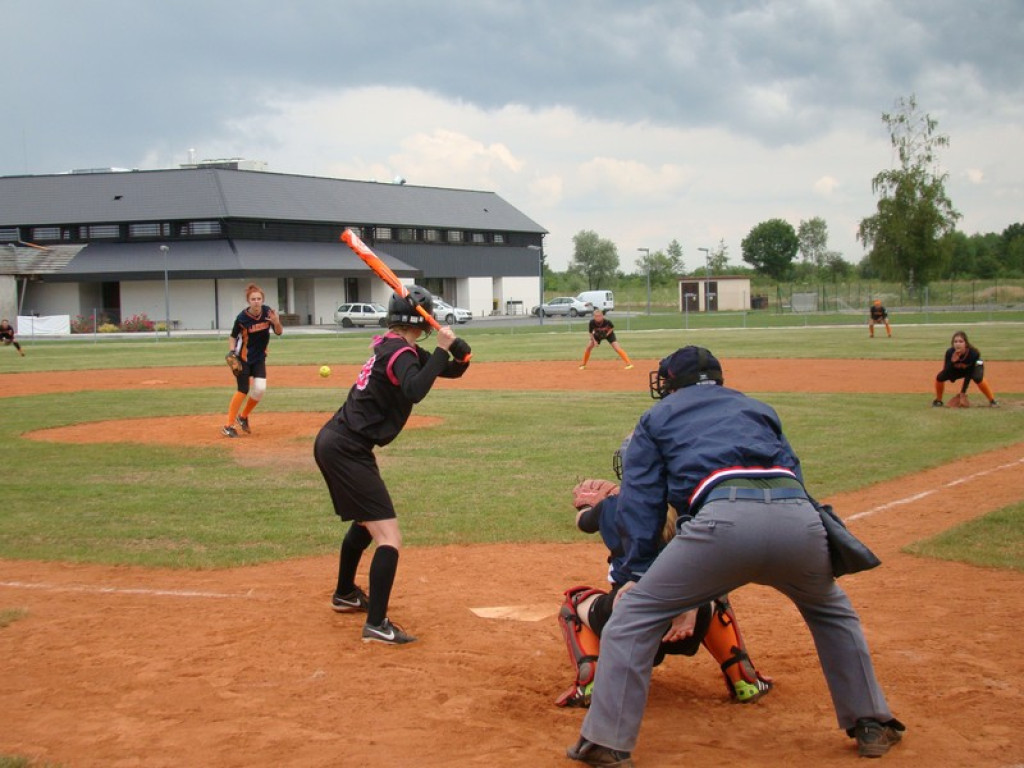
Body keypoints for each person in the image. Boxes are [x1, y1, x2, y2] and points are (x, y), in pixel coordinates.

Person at [567, 346, 904, 766]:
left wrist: (638, 571)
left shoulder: (657, 418)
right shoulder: (758, 408)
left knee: (632, 615)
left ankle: (606, 742)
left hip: (723, 522)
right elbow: (793, 474)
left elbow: (643, 502)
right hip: (798, 521)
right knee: (833, 612)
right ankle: (872, 722)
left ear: (669, 382)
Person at [557, 441, 772, 709]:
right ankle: (744, 678)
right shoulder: (696, 506)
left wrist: (588, 507)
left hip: (628, 622)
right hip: (690, 622)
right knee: (715, 594)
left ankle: (589, 682)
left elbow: (585, 523)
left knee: (573, 602)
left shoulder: (613, 507)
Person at [313, 286, 471, 645]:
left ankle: (345, 593)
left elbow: (443, 371)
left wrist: (460, 356)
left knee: (366, 523)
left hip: (338, 441)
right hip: (347, 448)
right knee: (389, 537)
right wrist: (445, 348)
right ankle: (377, 623)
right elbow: (415, 389)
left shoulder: (396, 346)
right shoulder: (402, 354)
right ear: (424, 319)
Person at [221, 283, 283, 438]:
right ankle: (228, 426)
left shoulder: (268, 312)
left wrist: (276, 322)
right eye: (253, 299)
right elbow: (233, 336)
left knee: (260, 388)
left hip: (259, 358)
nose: (256, 301)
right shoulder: (242, 318)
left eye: (259, 298)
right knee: (243, 390)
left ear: (263, 300)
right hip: (243, 358)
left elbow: (279, 332)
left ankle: (243, 417)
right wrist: (232, 352)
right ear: (248, 301)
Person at [933, 330, 999, 407]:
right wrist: (952, 361)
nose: (958, 344)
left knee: (977, 377)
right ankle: (938, 400)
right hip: (960, 367)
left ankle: (992, 401)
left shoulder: (973, 353)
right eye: (955, 341)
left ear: (966, 343)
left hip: (977, 364)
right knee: (940, 377)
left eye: (961, 341)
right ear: (953, 344)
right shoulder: (949, 352)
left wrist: (963, 392)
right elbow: (947, 372)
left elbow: (969, 373)